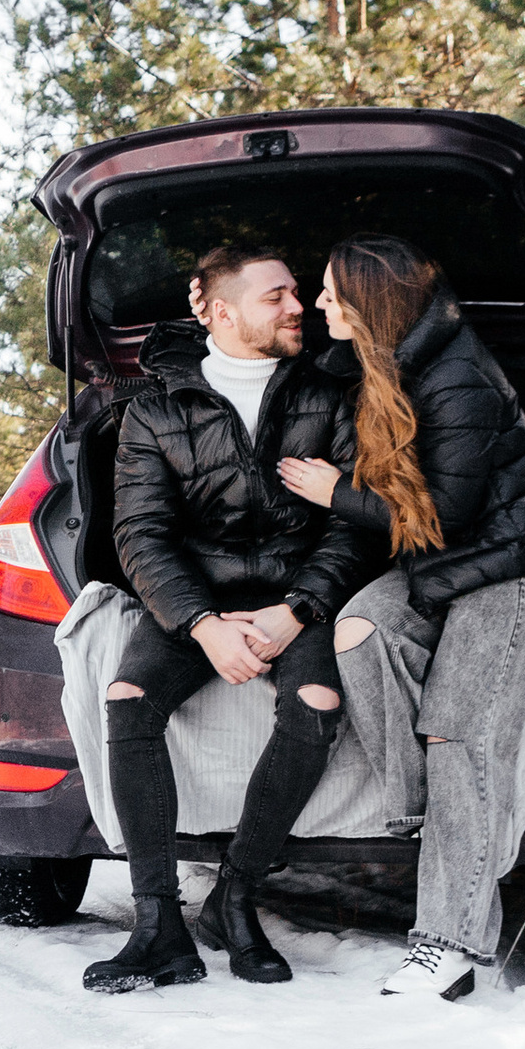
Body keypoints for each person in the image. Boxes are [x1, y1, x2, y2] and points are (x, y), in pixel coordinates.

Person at [83, 245, 377, 995]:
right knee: (127, 701)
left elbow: (353, 526)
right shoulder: (153, 408)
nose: (298, 307)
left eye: (298, 292)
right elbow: (140, 535)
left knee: (315, 701)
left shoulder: (329, 395)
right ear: (217, 311)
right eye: (276, 295)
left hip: (298, 596)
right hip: (195, 600)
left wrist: (296, 611)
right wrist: (204, 626)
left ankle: (235, 899)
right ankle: (159, 930)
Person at [277, 234, 525, 998]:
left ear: (372, 304)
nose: (317, 304)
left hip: (496, 566)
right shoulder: (381, 363)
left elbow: (446, 514)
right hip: (432, 571)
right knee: (359, 630)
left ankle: (449, 948)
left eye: (332, 293)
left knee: (456, 736)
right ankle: (420, 813)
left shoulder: (458, 376)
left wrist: (334, 491)